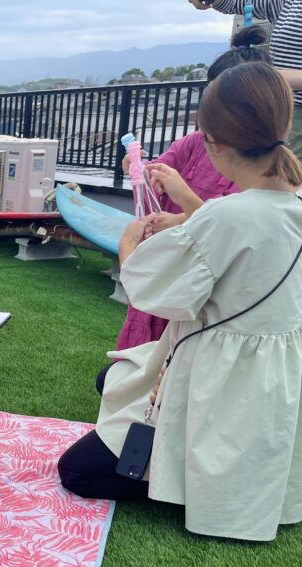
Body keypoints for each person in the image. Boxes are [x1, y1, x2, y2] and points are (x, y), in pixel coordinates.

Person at [57, 62, 302, 541]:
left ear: (214, 142)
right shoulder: (288, 204)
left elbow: (156, 291)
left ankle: (178, 481)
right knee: (112, 378)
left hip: (215, 372)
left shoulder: (226, 216)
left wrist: (129, 246)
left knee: (78, 471)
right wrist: (189, 221)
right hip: (276, 376)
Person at [114, 26, 270, 350]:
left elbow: (230, 226)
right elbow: (160, 170)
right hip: (171, 261)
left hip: (200, 280)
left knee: (177, 341)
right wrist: (141, 167)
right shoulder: (195, 142)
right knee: (149, 339)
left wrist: (178, 211)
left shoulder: (255, 172)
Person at [188, 0, 302, 155]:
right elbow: (238, 3)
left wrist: (268, 77)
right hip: (274, 108)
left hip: (293, 113)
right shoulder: (289, 3)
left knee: (281, 167)